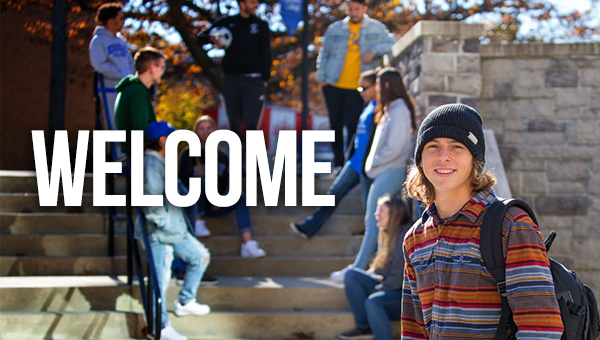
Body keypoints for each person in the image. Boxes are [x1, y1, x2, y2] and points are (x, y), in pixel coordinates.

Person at [401, 103, 564, 339]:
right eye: (433, 146)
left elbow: (541, 329)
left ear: (475, 161)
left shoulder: (510, 224)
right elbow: (414, 332)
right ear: (420, 161)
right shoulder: (415, 239)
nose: (443, 156)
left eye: (456, 147)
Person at [330, 67, 416, 282]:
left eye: (378, 83)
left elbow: (396, 148)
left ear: (387, 84)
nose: (376, 88)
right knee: (377, 222)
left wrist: (373, 166)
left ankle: (358, 270)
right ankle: (371, 267)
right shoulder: (390, 109)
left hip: (390, 170)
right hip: (383, 171)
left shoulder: (399, 110)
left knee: (374, 221)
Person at [139, 121, 211, 340]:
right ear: (162, 141)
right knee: (159, 281)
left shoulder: (162, 162)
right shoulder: (151, 165)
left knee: (200, 256)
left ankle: (186, 301)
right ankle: (160, 328)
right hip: (159, 234)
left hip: (175, 230)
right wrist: (166, 224)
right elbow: (151, 203)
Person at [290, 69, 378, 239]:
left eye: (364, 88)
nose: (360, 93)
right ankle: (310, 226)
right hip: (354, 163)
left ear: (376, 86)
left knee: (370, 206)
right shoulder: (367, 106)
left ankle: (372, 242)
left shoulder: (381, 107)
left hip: (369, 165)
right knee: (333, 193)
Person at [315, 0, 395, 173]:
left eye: (357, 9)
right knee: (335, 124)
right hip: (333, 84)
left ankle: (349, 164)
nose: (353, 12)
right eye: (350, 9)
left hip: (358, 88)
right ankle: (338, 163)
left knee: (353, 125)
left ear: (364, 9)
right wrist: (321, 76)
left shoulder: (376, 28)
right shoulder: (335, 29)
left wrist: (374, 50)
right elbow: (324, 53)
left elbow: (391, 42)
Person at [178, 115, 266, 258]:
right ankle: (197, 222)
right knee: (201, 182)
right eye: (202, 128)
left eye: (209, 128)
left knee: (240, 197)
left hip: (215, 205)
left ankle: (248, 244)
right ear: (196, 132)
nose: (206, 131)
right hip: (194, 206)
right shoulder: (188, 154)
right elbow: (183, 183)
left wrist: (219, 199)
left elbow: (226, 182)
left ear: (214, 130)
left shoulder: (222, 156)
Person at [196, 0, 272, 143]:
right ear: (242, 4)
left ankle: (251, 162)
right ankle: (236, 162)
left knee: (251, 126)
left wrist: (265, 78)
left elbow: (267, 54)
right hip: (231, 80)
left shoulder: (262, 26)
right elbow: (200, 39)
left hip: (254, 81)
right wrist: (211, 38)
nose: (256, 4)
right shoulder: (227, 23)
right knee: (234, 127)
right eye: (252, 1)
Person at [339, 194, 409, 340]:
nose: (376, 214)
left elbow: (397, 280)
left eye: (381, 211)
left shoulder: (403, 237)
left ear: (394, 214)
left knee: (373, 301)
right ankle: (364, 326)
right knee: (351, 275)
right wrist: (374, 277)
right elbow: (381, 270)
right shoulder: (387, 234)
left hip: (404, 298)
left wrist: (377, 288)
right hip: (389, 288)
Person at [89, 2, 135, 128]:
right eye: (120, 19)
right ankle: (117, 149)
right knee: (116, 127)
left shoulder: (121, 41)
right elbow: (99, 64)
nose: (123, 22)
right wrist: (122, 76)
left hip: (126, 90)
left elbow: (130, 62)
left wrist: (131, 78)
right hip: (110, 90)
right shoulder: (98, 41)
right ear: (110, 21)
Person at [114, 47, 165, 153]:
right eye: (162, 67)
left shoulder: (133, 89)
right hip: (138, 153)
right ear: (152, 68)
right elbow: (141, 129)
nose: (162, 72)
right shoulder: (137, 91)